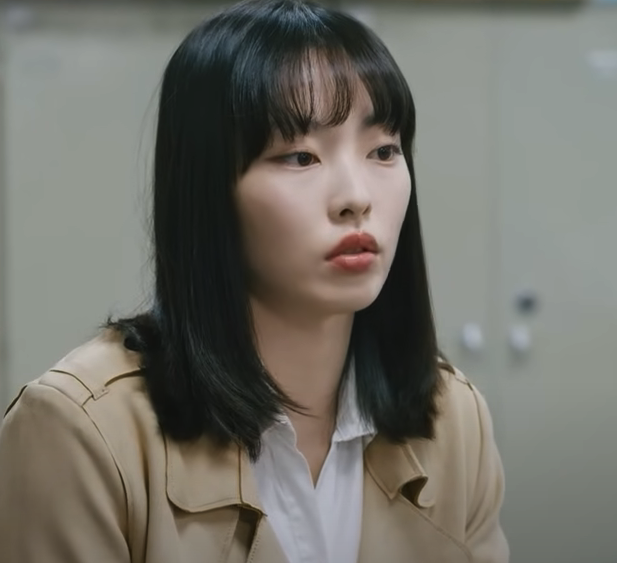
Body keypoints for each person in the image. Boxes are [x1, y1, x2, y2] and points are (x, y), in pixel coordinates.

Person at [0, 1, 509, 561]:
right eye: (300, 157)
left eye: (383, 151)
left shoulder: (455, 419)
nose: (356, 197)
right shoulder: (82, 432)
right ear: (208, 190)